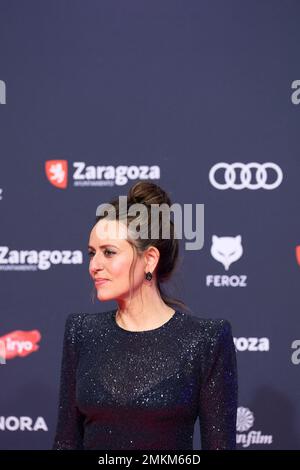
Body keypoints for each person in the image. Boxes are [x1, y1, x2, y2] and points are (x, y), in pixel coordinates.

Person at [52, 181, 238, 450]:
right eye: (91, 253)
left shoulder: (205, 340)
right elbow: (66, 442)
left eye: (109, 252)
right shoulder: (81, 332)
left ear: (149, 259)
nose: (94, 265)